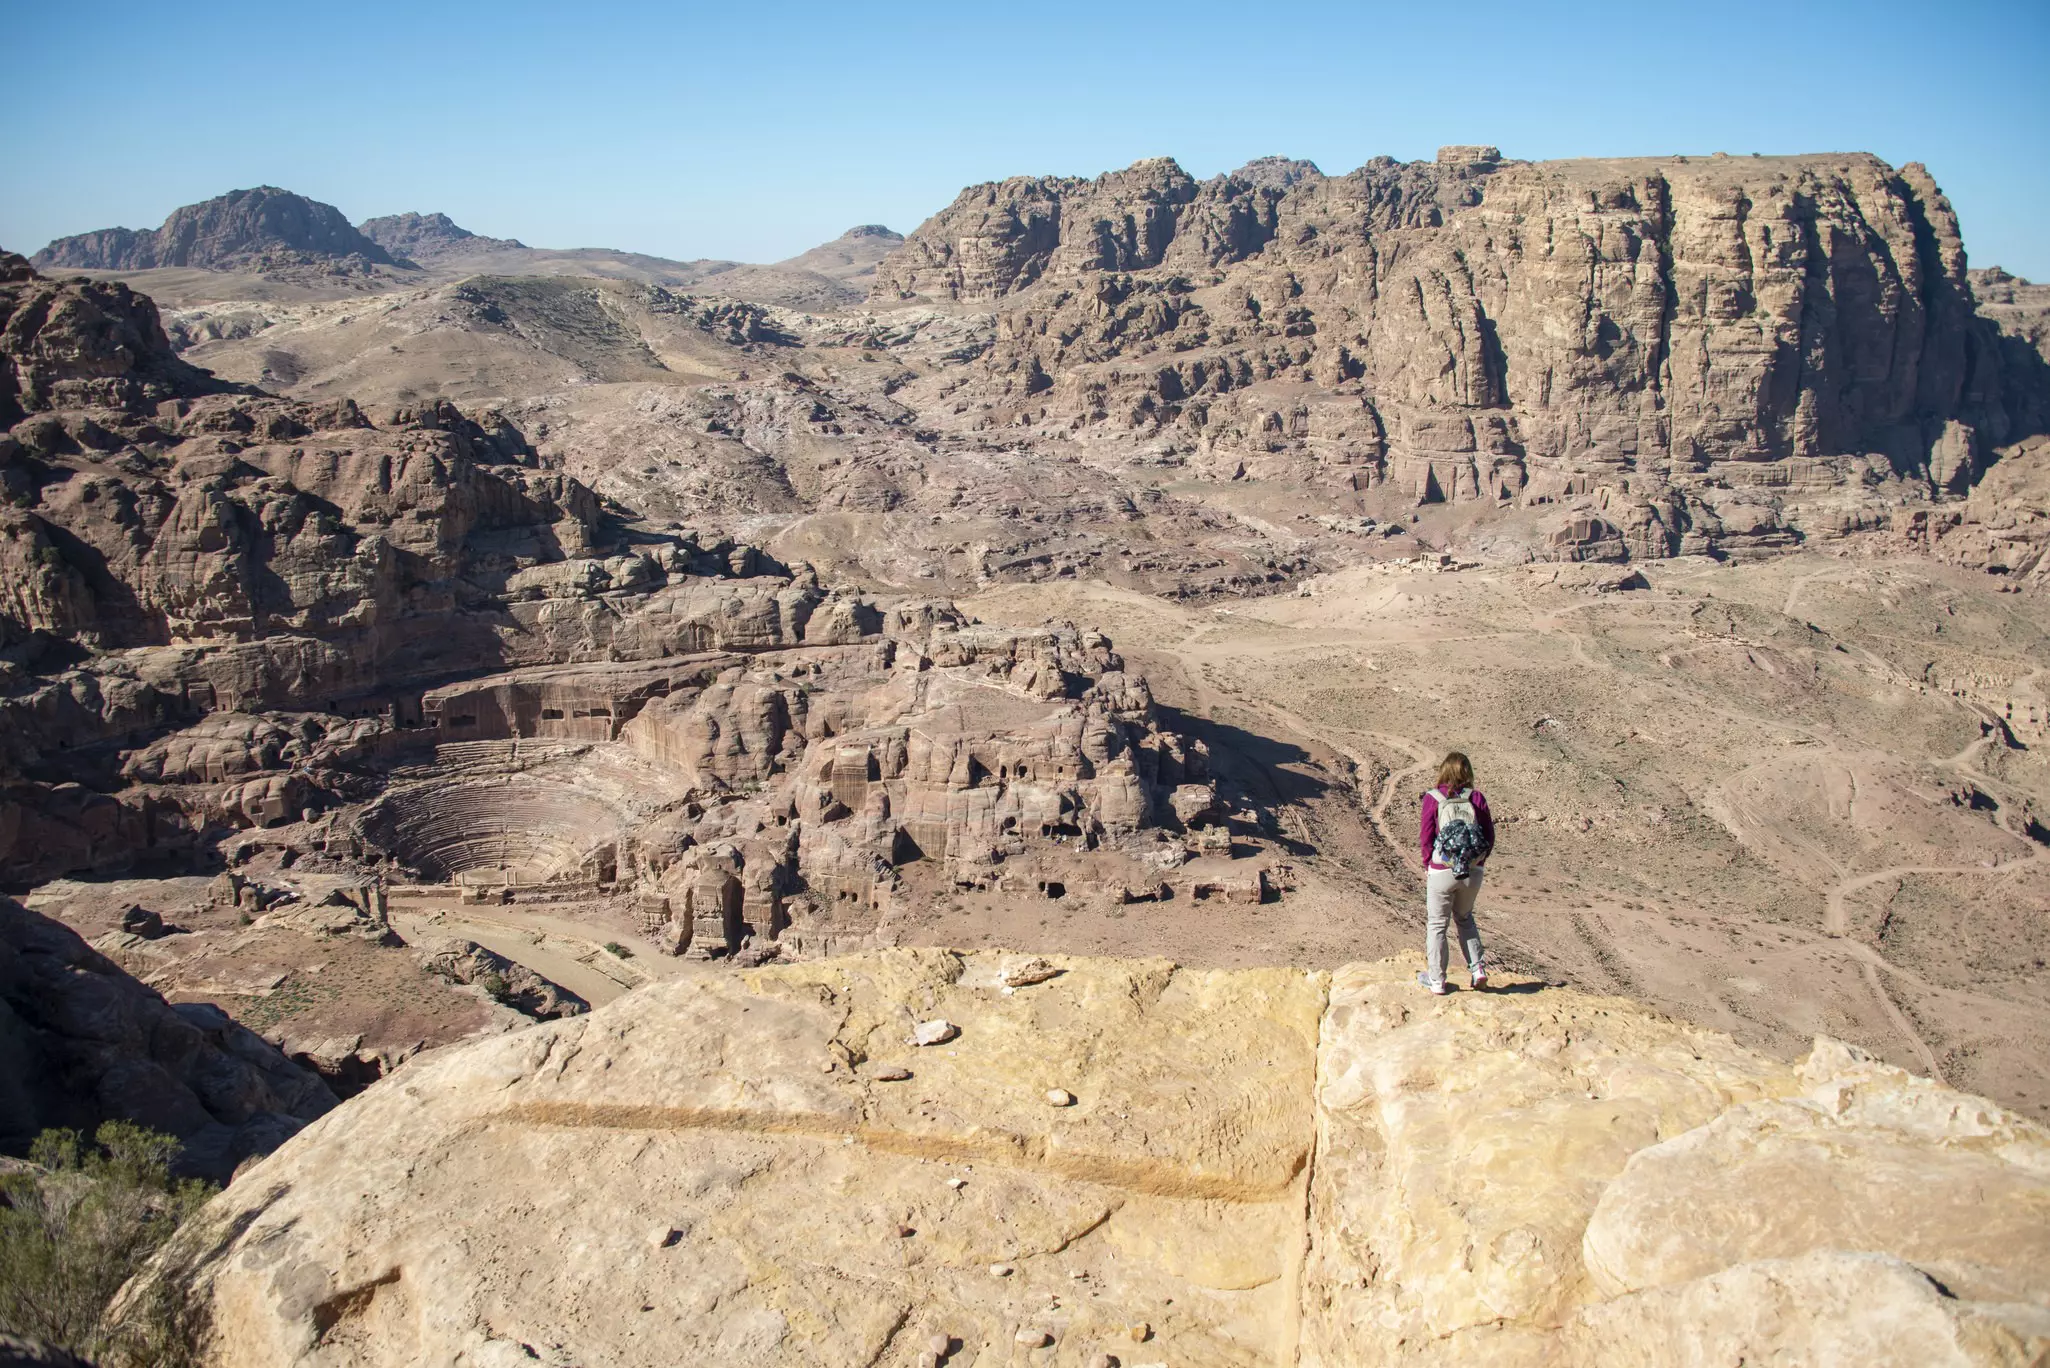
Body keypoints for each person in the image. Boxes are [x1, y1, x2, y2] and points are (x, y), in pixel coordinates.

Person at [1417, 750, 1493, 995]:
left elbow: (1426, 836)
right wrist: (1478, 862)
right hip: (1472, 871)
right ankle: (1478, 969)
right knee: (1465, 917)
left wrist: (1430, 862)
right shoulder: (1477, 798)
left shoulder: (1433, 798)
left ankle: (1437, 980)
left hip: (1442, 870)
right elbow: (1489, 837)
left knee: (1437, 924)